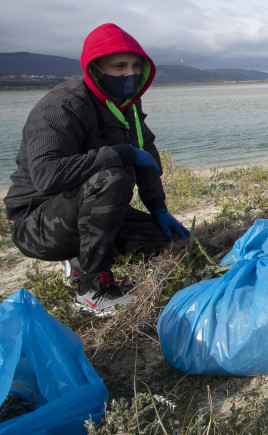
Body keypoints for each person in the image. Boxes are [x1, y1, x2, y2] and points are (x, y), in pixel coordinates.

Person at [4, 23, 189, 313]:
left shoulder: (127, 103)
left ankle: (81, 256)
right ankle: (92, 289)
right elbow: (46, 176)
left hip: (90, 211)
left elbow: (146, 153)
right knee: (111, 176)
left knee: (170, 241)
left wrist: (159, 208)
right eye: (119, 66)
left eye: (136, 65)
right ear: (95, 70)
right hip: (37, 223)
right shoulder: (62, 106)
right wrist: (117, 154)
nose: (130, 74)